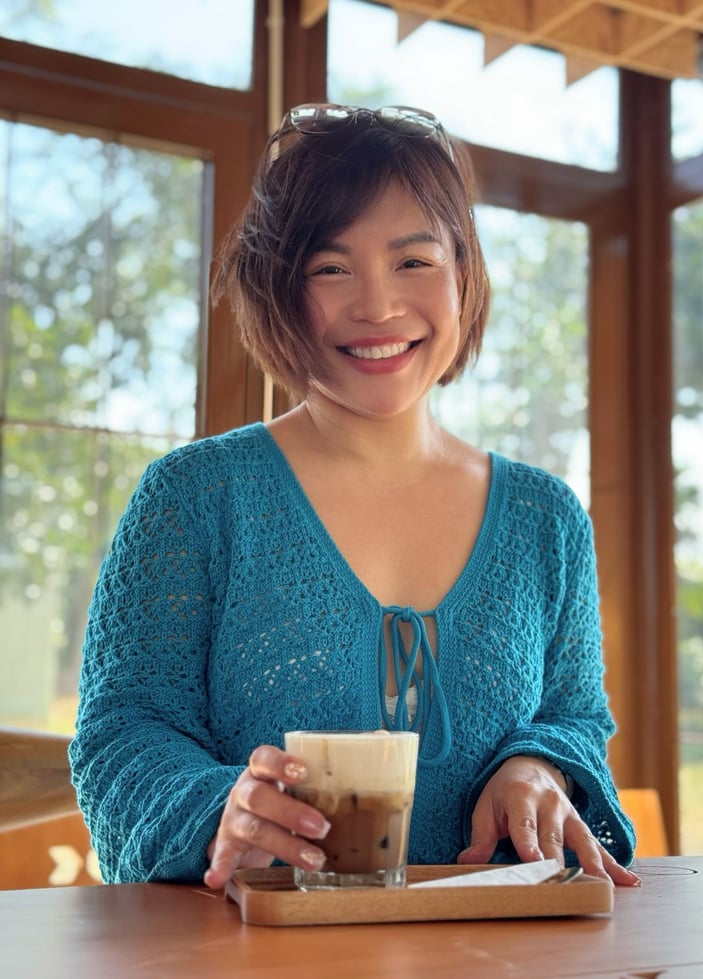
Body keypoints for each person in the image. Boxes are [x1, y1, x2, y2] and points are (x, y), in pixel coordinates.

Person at [69, 103, 641, 890]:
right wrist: (219, 809)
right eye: (331, 268)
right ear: (279, 288)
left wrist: (540, 765)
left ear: (464, 273)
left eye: (414, 261)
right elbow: (121, 735)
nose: (377, 306)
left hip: (501, 944)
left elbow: (575, 717)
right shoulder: (194, 497)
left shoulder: (549, 520)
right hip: (251, 946)